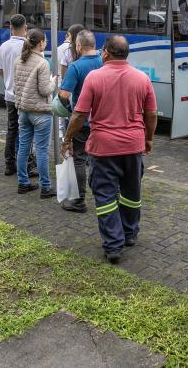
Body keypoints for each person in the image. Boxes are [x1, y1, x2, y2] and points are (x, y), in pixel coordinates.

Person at [62, 35, 157, 264]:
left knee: (105, 196)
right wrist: (149, 139)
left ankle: (113, 245)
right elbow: (151, 114)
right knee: (131, 193)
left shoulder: (95, 78)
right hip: (133, 145)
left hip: (103, 147)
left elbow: (79, 114)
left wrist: (67, 138)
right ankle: (129, 233)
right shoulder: (142, 78)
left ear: (106, 52)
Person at [59, 30, 104, 213]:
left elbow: (64, 96)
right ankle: (105, 198)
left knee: (79, 159)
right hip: (102, 121)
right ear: (94, 44)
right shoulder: (104, 62)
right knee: (100, 161)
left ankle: (79, 201)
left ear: (78, 46)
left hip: (82, 122)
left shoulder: (76, 67)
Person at [13, 28, 57, 198]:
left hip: (23, 111)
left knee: (23, 148)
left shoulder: (19, 60)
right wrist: (54, 81)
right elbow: (45, 90)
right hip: (40, 113)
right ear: (41, 43)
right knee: (42, 151)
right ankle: (45, 187)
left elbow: (17, 86)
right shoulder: (43, 63)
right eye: (45, 40)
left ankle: (23, 182)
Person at [0, 14, 28, 176]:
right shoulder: (28, 46)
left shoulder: (3, 47)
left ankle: (9, 164)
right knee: (25, 131)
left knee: (12, 129)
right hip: (25, 96)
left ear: (10, 28)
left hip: (9, 95)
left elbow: (1, 72)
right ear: (25, 28)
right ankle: (24, 164)